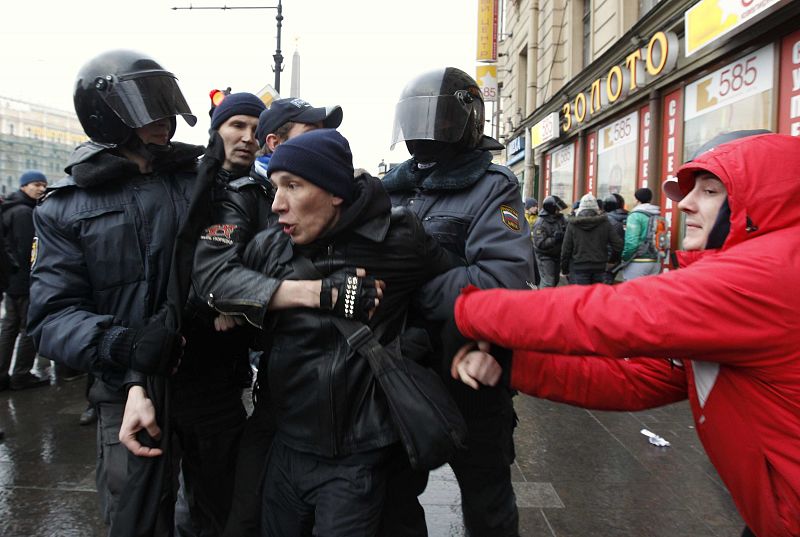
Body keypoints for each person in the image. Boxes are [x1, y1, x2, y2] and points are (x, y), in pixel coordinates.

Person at [450, 132, 800, 537]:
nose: (685, 203)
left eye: (709, 191)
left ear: (760, 202)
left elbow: (612, 314)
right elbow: (638, 379)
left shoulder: (769, 275)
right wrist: (513, 364)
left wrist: (465, 308)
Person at [225, 128, 462, 537]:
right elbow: (214, 286)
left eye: (293, 186)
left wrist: (454, 343)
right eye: (275, 187)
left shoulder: (398, 239)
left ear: (335, 192)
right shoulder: (270, 248)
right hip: (285, 445)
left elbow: (456, 289)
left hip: (358, 458)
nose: (277, 204)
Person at [28, 49, 202, 536]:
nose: (164, 122)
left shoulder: (201, 183)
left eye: (166, 108)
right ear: (109, 117)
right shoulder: (65, 208)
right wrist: (120, 346)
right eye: (149, 111)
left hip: (208, 387)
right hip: (124, 393)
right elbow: (52, 315)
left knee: (216, 517)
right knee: (136, 519)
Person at [381, 67, 533, 537]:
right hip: (404, 372)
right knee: (393, 501)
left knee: (487, 503)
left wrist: (419, 277)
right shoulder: (394, 186)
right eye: (418, 119)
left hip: (470, 372)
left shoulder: (492, 186)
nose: (427, 133)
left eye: (439, 120)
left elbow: (502, 281)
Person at [0, 170, 48, 391]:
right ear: (23, 186)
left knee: (9, 328)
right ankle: (21, 374)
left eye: (43, 185)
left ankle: (3, 375)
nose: (41, 189)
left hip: (11, 281)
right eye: (36, 184)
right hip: (24, 281)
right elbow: (28, 250)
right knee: (29, 327)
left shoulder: (11, 208)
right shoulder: (24, 213)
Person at [252, 97, 343, 178]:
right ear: (275, 143)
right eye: (310, 133)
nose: (321, 141)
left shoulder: (329, 187)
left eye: (323, 134)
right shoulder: (243, 195)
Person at [560, 193, 623, 285]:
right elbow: (618, 245)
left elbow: (566, 249)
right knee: (597, 296)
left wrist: (565, 270)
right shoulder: (605, 223)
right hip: (600, 266)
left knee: (583, 297)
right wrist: (612, 261)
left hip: (580, 266)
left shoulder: (573, 224)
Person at [620, 187, 662, 280]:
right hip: (655, 261)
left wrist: (624, 257)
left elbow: (632, 242)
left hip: (638, 261)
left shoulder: (635, 215)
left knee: (633, 292)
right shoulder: (656, 215)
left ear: (637, 200)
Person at [532, 195, 567, 288]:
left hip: (557, 254)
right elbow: (540, 243)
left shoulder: (560, 219)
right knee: (548, 282)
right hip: (544, 256)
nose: (558, 211)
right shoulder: (541, 222)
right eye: (556, 208)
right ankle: (542, 301)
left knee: (555, 280)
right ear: (551, 208)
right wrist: (554, 239)